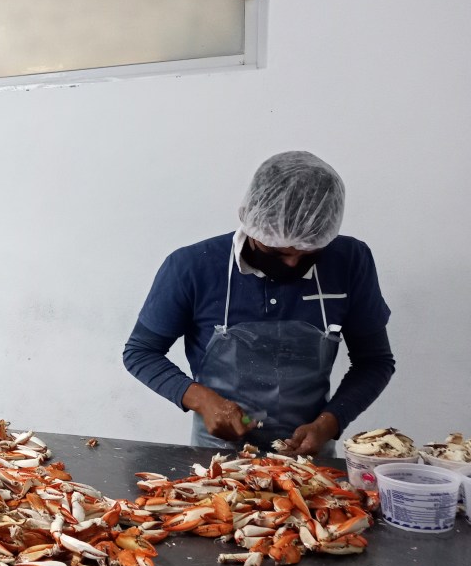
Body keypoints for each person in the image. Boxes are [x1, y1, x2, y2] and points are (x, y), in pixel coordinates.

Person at [123, 151, 395, 456]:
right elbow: (141, 352)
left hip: (309, 458)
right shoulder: (193, 267)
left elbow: (374, 361)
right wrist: (202, 400)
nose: (292, 263)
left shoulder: (350, 261)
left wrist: (329, 423)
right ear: (251, 221)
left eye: (309, 252)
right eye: (278, 252)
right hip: (217, 458)